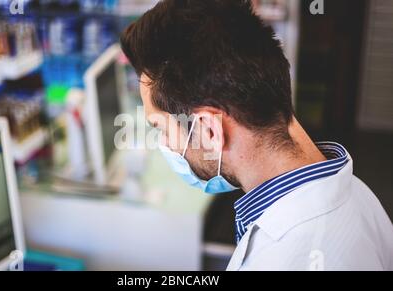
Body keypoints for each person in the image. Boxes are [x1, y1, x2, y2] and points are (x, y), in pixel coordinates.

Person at [120, 0, 393, 271]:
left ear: (209, 131)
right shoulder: (360, 195)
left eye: (162, 128)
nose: (165, 144)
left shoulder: (287, 260)